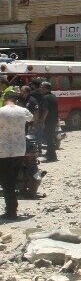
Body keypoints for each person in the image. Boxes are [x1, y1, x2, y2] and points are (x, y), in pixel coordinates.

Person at [0, 92, 34, 220]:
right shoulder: (23, 111)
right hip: (19, 149)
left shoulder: (1, 111)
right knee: (12, 179)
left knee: (6, 182)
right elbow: (32, 118)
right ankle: (12, 208)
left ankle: (11, 211)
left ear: (5, 99)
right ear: (16, 101)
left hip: (3, 151)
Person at [39, 82, 59, 162]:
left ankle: (52, 156)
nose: (41, 89)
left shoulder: (45, 97)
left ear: (46, 88)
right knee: (50, 137)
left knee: (48, 138)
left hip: (48, 120)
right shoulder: (53, 96)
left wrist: (43, 121)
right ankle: (49, 153)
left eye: (42, 87)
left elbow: (46, 110)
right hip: (53, 120)